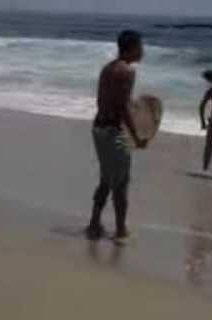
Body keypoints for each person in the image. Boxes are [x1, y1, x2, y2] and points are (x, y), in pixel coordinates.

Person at [86, 30, 147, 245]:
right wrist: (137, 136)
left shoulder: (108, 68)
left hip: (99, 127)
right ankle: (120, 230)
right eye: (141, 46)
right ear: (131, 48)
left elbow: (105, 100)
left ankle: (94, 223)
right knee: (121, 183)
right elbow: (122, 107)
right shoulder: (127, 71)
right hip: (112, 131)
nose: (143, 50)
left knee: (106, 178)